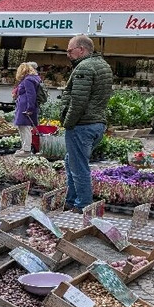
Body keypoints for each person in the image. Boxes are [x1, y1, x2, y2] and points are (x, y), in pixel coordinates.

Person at [59, 34, 113, 210]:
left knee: (78, 167)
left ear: (81, 49)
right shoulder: (102, 65)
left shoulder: (84, 68)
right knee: (71, 161)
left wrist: (67, 123)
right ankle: (71, 199)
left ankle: (83, 204)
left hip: (82, 125)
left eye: (70, 50)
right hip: (97, 123)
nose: (68, 54)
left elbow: (78, 102)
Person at [13, 62, 43, 156]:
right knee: (23, 127)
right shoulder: (33, 78)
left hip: (25, 107)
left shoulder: (28, 80)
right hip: (26, 106)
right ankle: (24, 147)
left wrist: (30, 108)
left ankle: (26, 150)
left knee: (25, 128)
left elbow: (31, 95)